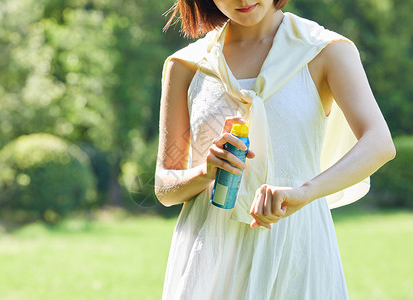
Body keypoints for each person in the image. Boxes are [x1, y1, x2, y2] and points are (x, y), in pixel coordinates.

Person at [154, 0, 396, 299]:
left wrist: (306, 192)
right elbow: (165, 188)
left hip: (294, 243)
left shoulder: (323, 50)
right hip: (209, 250)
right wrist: (206, 171)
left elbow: (379, 143)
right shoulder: (187, 65)